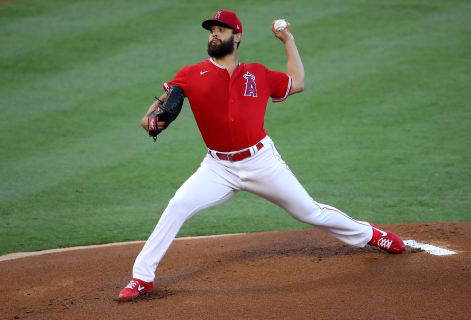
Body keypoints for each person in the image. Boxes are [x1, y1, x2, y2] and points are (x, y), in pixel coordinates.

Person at [118, 9, 405, 301]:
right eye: (211, 30)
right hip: (217, 167)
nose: (214, 33)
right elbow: (162, 105)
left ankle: (370, 234)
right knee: (178, 205)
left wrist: (287, 40)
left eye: (221, 29)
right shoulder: (191, 74)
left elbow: (298, 82)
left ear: (237, 36)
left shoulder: (257, 73)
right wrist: (148, 119)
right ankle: (142, 278)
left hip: (261, 162)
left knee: (308, 211)